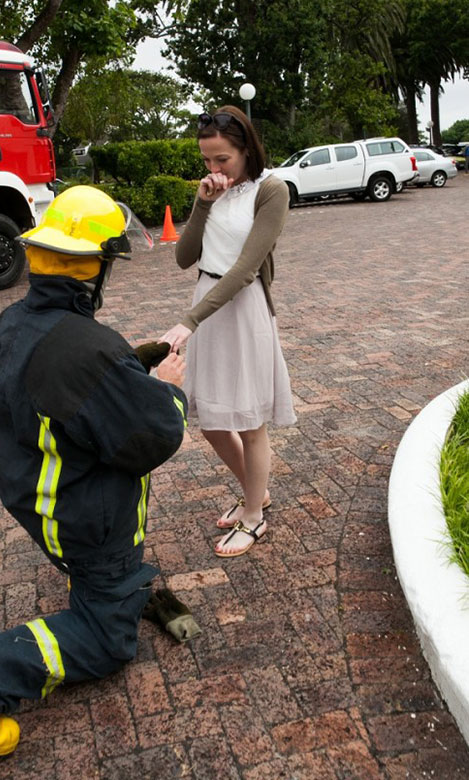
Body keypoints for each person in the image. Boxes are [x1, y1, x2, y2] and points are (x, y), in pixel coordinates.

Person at [0, 186, 187, 757]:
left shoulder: (10, 323)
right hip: (86, 520)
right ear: (92, 266)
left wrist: (129, 368)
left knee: (104, 578)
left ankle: (114, 585)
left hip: (37, 496)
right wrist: (164, 390)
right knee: (107, 638)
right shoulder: (87, 350)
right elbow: (151, 436)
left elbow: (53, 392)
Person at [161, 106, 296, 559]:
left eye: (223, 160)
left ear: (245, 149)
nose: (215, 170)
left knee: (250, 421)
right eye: (207, 161)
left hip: (241, 307)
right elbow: (184, 257)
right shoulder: (213, 191)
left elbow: (245, 269)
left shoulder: (271, 190)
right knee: (213, 420)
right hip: (208, 300)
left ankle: (255, 517)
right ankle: (256, 492)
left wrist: (191, 319)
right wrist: (202, 201)